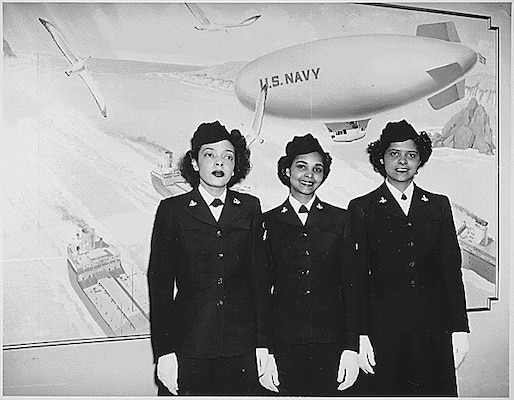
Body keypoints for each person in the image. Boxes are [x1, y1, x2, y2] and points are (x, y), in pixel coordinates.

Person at [346, 119, 470, 396]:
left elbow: (452, 271)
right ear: (381, 158)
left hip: (433, 333)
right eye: (394, 154)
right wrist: (359, 336)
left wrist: (461, 329)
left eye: (411, 155)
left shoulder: (438, 205)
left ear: (420, 160)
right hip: (383, 334)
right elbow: (355, 278)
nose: (402, 162)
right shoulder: (362, 208)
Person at [147, 121, 271, 396]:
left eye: (228, 156)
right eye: (210, 155)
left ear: (236, 165)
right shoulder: (172, 210)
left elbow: (259, 280)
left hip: (241, 347)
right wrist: (164, 352)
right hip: (190, 345)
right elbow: (160, 286)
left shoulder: (250, 208)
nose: (220, 162)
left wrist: (263, 344)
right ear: (194, 163)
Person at [260, 133, 360, 396]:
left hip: (333, 344)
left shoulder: (341, 220)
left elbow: (352, 287)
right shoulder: (267, 222)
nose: (309, 175)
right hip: (284, 345)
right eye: (301, 166)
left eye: (317, 169)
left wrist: (352, 347)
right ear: (286, 170)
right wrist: (265, 349)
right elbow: (260, 292)